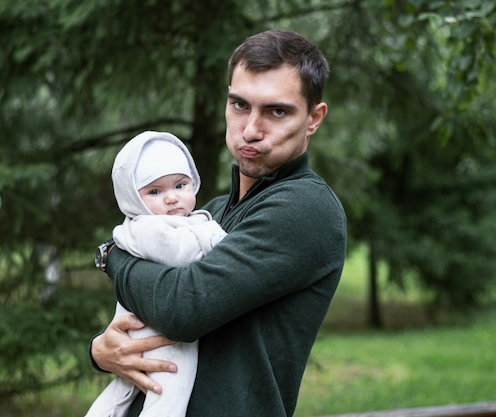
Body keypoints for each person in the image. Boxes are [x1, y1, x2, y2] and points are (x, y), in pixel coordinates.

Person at [90, 29, 347, 417]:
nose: (250, 130)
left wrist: (112, 254)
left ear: (314, 118)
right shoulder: (209, 213)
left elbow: (182, 307)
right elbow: (143, 316)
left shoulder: (306, 209)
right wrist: (103, 350)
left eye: (276, 111)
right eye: (240, 105)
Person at [87, 131, 227, 417]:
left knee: (125, 387)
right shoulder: (144, 227)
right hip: (155, 329)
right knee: (169, 389)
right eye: (155, 192)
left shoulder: (187, 220)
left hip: (143, 322)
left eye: (180, 184)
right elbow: (179, 254)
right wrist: (216, 236)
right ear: (132, 199)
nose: (172, 198)